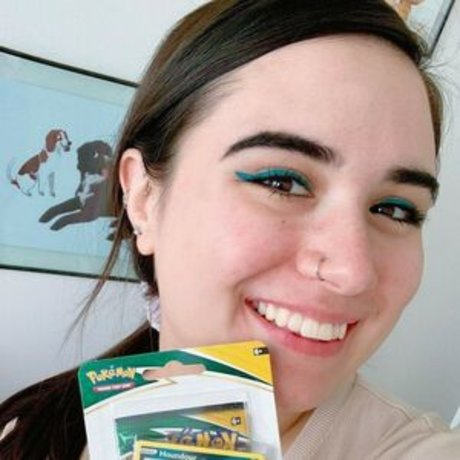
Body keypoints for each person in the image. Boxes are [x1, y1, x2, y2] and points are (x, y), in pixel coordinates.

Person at [1, 1, 459, 458]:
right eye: (281, 182)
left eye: (395, 209)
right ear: (142, 197)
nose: (352, 271)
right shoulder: (29, 432)